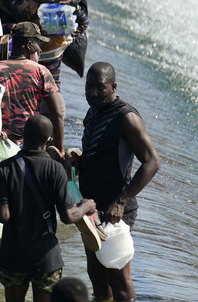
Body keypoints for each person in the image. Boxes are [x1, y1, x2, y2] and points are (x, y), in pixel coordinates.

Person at [77, 62, 161, 302]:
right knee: (96, 275)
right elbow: (101, 153)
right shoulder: (94, 110)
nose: (92, 93)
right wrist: (79, 161)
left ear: (113, 87)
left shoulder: (126, 117)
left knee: (117, 278)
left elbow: (152, 162)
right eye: (89, 87)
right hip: (91, 207)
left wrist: (121, 201)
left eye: (100, 88)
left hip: (116, 211)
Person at [0, 116, 98, 302]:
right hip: (46, 257)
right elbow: (68, 216)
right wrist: (86, 206)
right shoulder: (56, 169)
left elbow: (3, 216)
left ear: (24, 134)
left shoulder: (4, 168)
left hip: (13, 256)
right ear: (49, 140)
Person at [0, 21, 64, 150]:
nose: (40, 49)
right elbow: (57, 114)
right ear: (29, 46)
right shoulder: (41, 71)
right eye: (38, 44)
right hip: (29, 146)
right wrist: (60, 148)